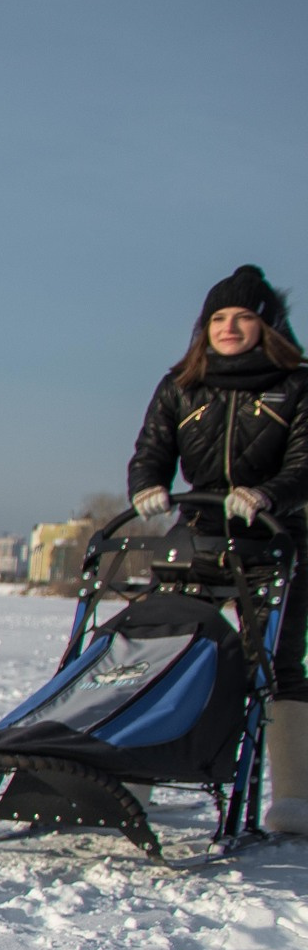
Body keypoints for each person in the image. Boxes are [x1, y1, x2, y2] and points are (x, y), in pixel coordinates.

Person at [125, 263, 308, 833]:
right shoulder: (181, 384)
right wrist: (146, 488)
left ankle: (295, 799)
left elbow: (305, 464)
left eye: (244, 318)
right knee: (166, 650)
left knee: (275, 665)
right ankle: (132, 778)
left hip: (275, 542)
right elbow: (150, 451)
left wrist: (267, 495)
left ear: (267, 325)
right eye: (219, 318)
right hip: (198, 537)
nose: (229, 328)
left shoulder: (297, 385)